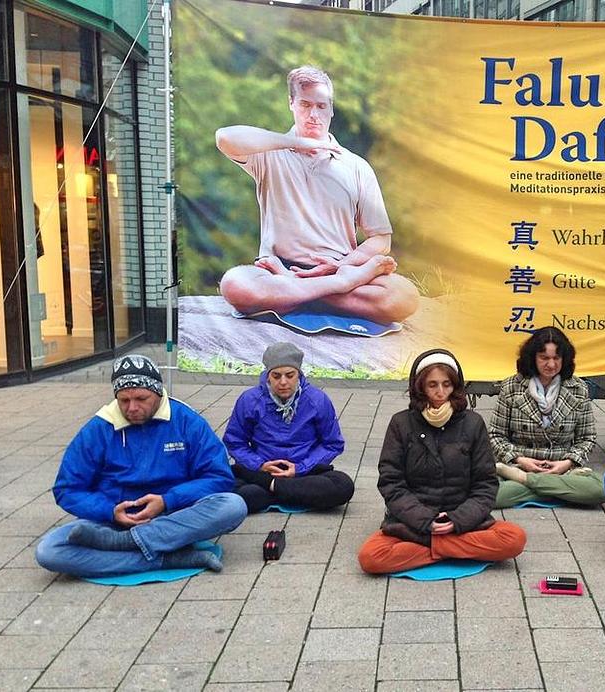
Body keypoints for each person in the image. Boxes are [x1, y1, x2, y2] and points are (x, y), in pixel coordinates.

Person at [215, 65, 419, 324]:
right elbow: (225, 138)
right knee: (235, 284)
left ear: (331, 109)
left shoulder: (357, 167)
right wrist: (297, 142)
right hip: (279, 269)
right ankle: (335, 289)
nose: (314, 115)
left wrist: (343, 267)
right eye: (305, 105)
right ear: (291, 103)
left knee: (404, 296)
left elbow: (381, 239)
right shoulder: (269, 154)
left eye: (321, 106)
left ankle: (304, 292)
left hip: (339, 268)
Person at [35, 355, 247, 578]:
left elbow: (219, 477)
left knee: (233, 506)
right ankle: (164, 559)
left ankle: (125, 544)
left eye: (141, 399)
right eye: (124, 400)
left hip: (174, 517)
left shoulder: (185, 420)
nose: (132, 408)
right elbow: (67, 489)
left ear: (158, 393)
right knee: (49, 552)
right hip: (114, 521)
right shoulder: (99, 428)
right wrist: (110, 511)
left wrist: (167, 501)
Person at [358, 349, 526, 574]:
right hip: (413, 525)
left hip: (462, 522)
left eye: (446, 385)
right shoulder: (401, 423)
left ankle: (431, 551)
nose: (440, 392)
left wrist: (456, 521)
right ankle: (457, 551)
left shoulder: (473, 423)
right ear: (420, 387)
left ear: (455, 386)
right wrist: (426, 520)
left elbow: (485, 485)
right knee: (371, 558)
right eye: (432, 385)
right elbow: (391, 484)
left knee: (514, 539)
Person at [224, 342, 355, 513]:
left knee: (343, 485)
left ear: (299, 374)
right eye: (276, 376)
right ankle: (290, 492)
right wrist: (260, 465)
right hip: (262, 471)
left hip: (304, 472)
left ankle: (273, 489)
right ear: (267, 376)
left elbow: (332, 444)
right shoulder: (249, 400)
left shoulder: (317, 400)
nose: (283, 382)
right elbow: (235, 442)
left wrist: (300, 468)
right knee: (228, 485)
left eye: (290, 375)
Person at [489, 327, 605, 508]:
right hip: (519, 465)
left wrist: (566, 463)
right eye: (544, 358)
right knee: (491, 495)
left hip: (563, 469)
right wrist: (520, 460)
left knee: (599, 490)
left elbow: (586, 438)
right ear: (532, 358)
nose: (551, 365)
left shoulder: (578, 388)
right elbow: (496, 435)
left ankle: (526, 482)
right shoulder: (512, 386)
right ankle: (563, 493)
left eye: (556, 358)